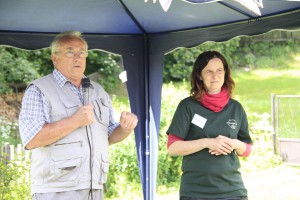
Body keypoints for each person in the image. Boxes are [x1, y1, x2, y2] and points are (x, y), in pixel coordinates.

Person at [19, 30, 138, 200]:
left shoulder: (99, 91)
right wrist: (74, 121)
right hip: (56, 190)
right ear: (54, 58)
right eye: (70, 52)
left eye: (82, 53)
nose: (77, 57)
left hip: (94, 188)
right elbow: (31, 139)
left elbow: (109, 136)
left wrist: (125, 129)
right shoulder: (39, 89)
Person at [166, 51, 252, 200]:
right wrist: (207, 143)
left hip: (232, 191)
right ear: (200, 75)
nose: (215, 76)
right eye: (209, 72)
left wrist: (233, 143)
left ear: (225, 73)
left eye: (219, 70)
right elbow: (173, 148)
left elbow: (247, 150)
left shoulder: (236, 108)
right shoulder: (187, 106)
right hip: (195, 192)